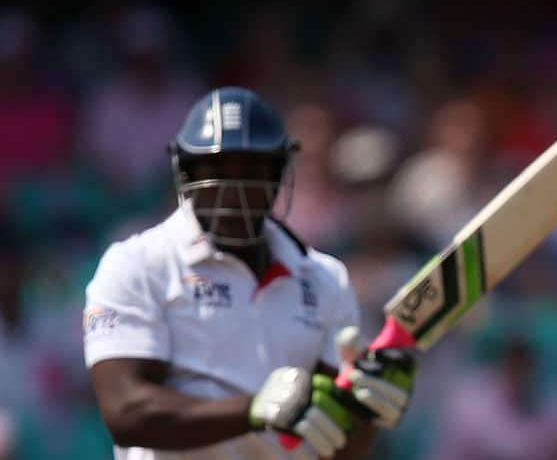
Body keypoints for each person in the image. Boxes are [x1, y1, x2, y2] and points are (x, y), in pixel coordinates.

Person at [83, 86, 415, 459]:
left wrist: (366, 412)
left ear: (278, 174)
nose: (233, 189)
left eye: (252, 170)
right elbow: (126, 411)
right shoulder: (138, 265)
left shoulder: (324, 280)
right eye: (216, 169)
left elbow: (336, 450)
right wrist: (253, 410)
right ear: (186, 172)